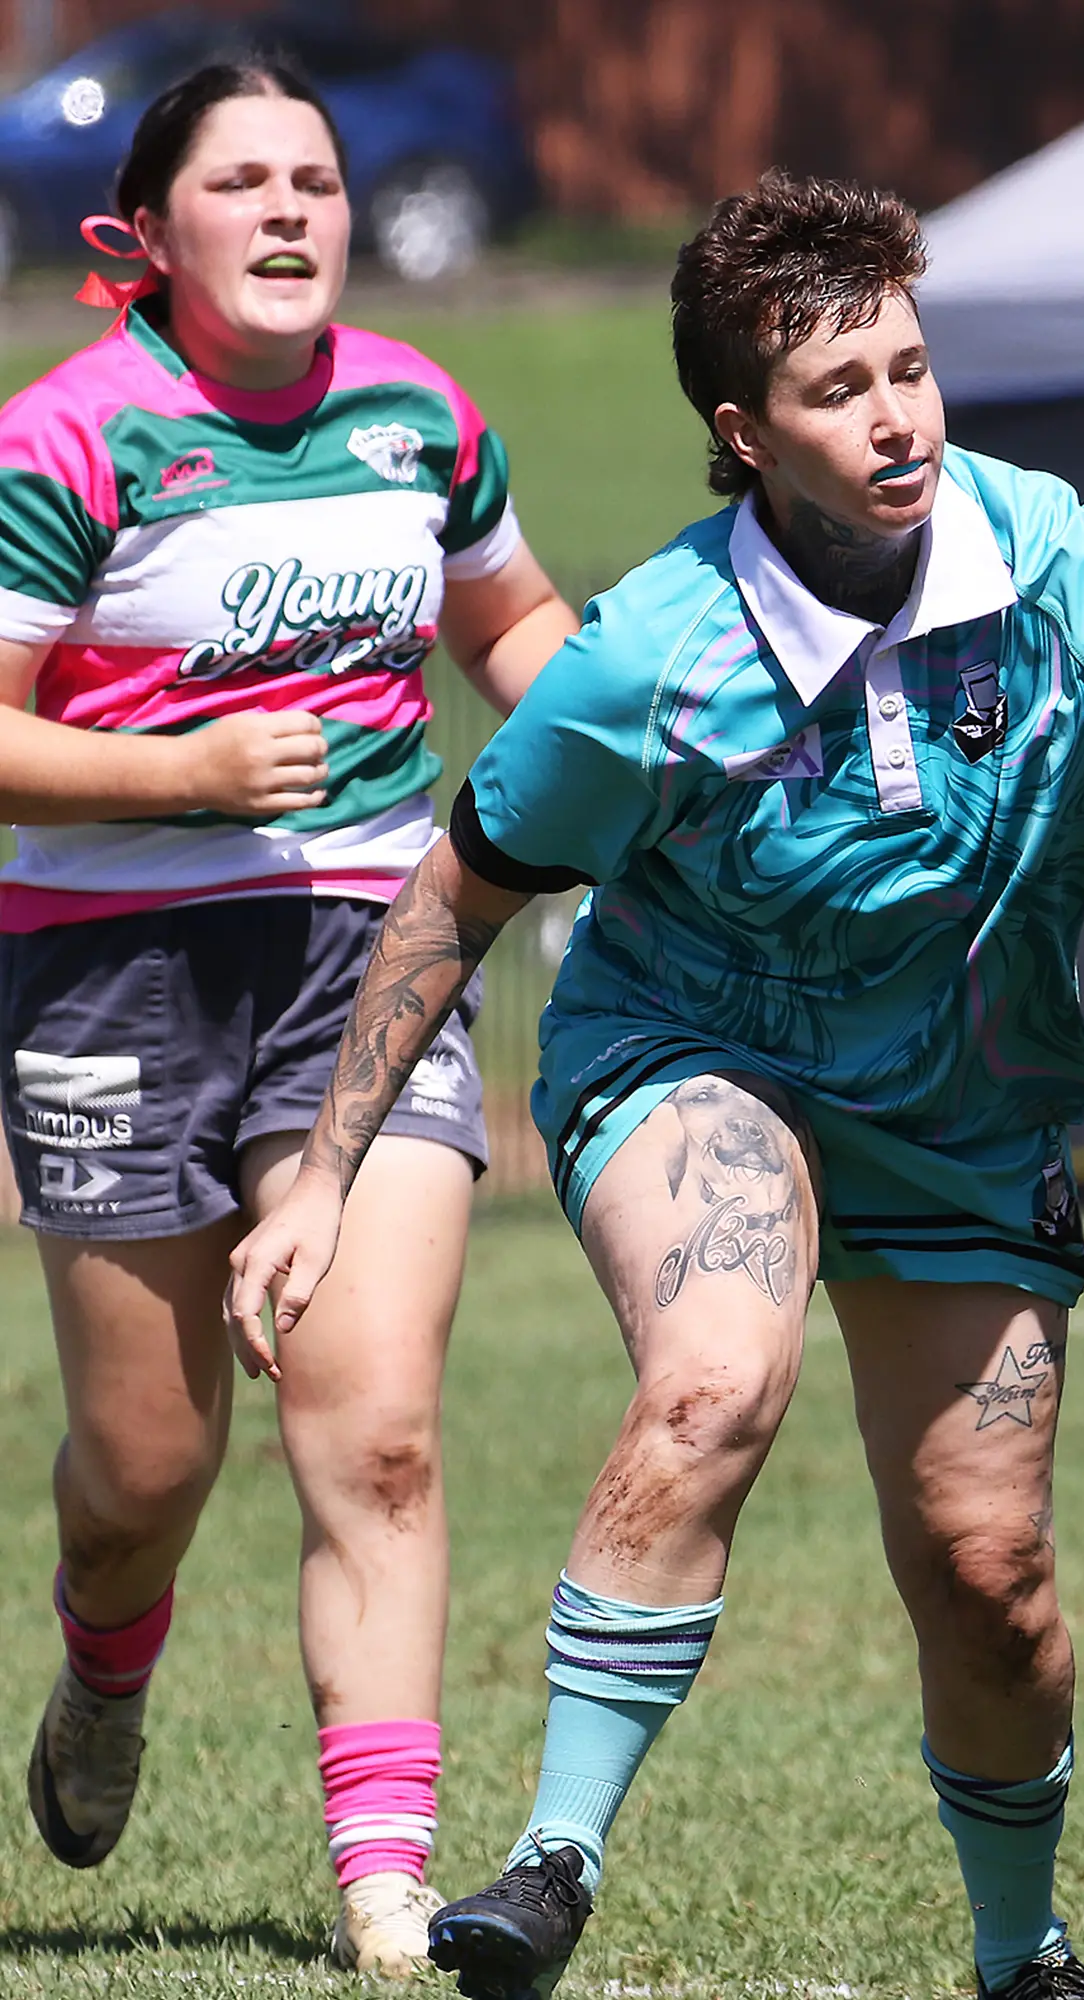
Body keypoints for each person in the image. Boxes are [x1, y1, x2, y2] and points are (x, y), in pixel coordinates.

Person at [224, 171, 1084, 2000]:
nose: (896, 416)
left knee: (989, 1572)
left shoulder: (1069, 565)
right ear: (741, 431)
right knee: (717, 1379)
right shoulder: (652, 658)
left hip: (963, 1103)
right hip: (697, 1050)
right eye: (840, 388)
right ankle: (551, 1863)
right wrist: (319, 1173)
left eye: (911, 368)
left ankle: (1022, 1955)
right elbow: (457, 887)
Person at [0, 58, 576, 1977]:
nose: (290, 213)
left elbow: (515, 636)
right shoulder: (73, 441)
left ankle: (385, 1887)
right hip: (115, 969)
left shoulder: (423, 415)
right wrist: (177, 779)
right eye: (240, 183)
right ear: (146, 234)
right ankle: (105, 1660)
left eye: (316, 181)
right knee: (149, 1470)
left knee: (378, 1428)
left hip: (369, 956)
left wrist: (658, 750)